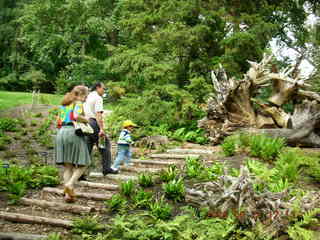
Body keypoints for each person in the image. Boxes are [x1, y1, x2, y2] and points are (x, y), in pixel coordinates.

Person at [55, 85, 90, 203]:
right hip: (73, 133)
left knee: (68, 166)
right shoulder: (78, 103)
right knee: (84, 164)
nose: (86, 98)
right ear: (80, 95)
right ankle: (69, 185)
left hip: (61, 133)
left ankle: (68, 196)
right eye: (86, 96)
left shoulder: (63, 105)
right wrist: (87, 120)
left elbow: (58, 123)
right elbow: (75, 116)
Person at [83, 82, 118, 176]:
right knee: (105, 144)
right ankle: (106, 168)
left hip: (87, 123)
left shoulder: (89, 96)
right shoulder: (98, 98)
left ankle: (80, 173)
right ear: (98, 88)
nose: (104, 90)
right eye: (103, 88)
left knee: (87, 147)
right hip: (94, 123)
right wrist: (101, 129)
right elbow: (98, 114)